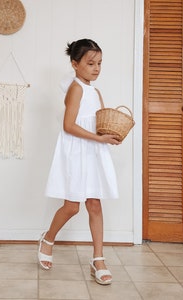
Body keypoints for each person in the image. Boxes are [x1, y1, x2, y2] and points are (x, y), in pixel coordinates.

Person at [38, 38, 121, 285]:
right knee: (73, 206)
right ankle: (48, 239)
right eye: (90, 63)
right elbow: (68, 125)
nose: (96, 68)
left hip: (93, 151)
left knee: (94, 203)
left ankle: (98, 258)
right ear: (75, 64)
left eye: (99, 63)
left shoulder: (95, 91)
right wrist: (98, 137)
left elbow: (100, 120)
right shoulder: (75, 88)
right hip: (76, 151)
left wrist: (110, 135)